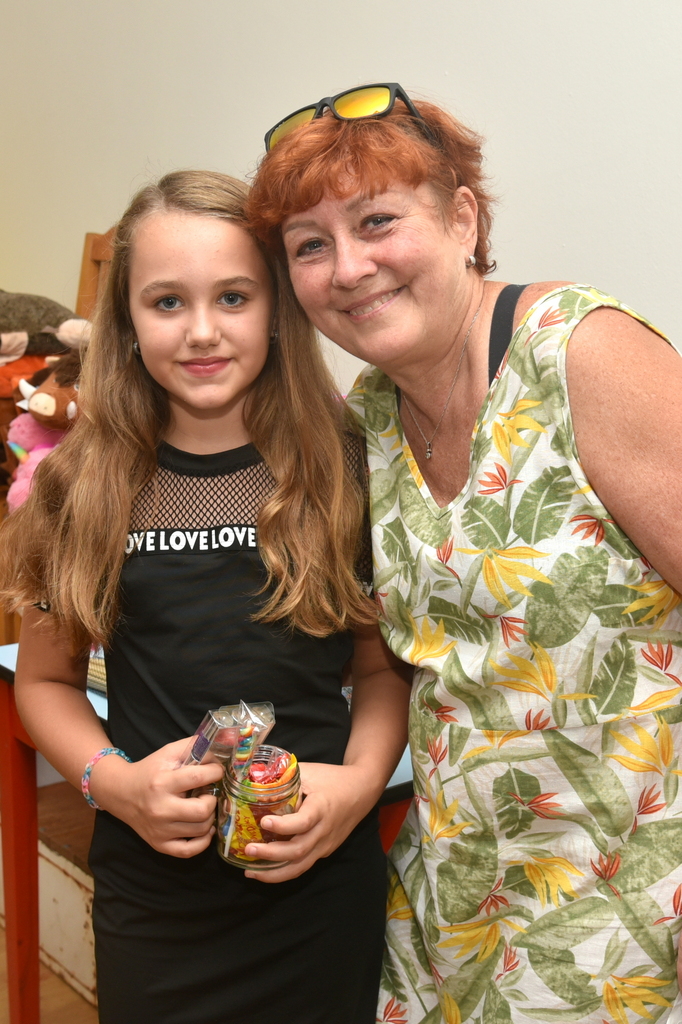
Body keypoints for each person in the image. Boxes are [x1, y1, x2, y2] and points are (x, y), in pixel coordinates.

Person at [246, 84, 682, 1024]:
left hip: (635, 907)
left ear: (462, 219)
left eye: (377, 221)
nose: (349, 268)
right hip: (458, 897)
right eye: (310, 246)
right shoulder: (369, 418)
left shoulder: (579, 354)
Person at [0, 170, 411, 1024]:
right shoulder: (80, 486)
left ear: (278, 309)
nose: (200, 331)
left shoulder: (345, 468)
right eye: (166, 302)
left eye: (233, 297)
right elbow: (43, 682)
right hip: (154, 905)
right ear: (125, 323)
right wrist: (114, 785)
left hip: (319, 889)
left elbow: (381, 674)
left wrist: (359, 784)